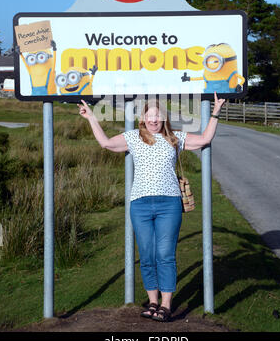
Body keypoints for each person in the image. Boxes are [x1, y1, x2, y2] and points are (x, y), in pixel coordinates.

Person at [77, 92, 225, 322]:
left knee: (165, 255)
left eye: (158, 116)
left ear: (164, 119)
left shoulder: (175, 137)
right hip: (140, 205)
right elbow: (105, 143)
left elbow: (205, 139)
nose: (154, 120)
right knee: (146, 256)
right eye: (149, 116)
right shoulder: (133, 137)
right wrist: (91, 118)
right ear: (143, 118)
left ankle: (166, 305)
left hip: (169, 204)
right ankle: (152, 302)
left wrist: (216, 111)